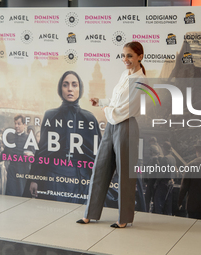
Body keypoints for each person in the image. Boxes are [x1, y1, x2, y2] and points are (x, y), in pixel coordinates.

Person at [77, 41, 146, 228]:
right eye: (123, 55)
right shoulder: (125, 75)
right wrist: (101, 102)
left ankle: (124, 219)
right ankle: (90, 214)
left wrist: (107, 110)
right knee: (100, 168)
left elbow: (127, 109)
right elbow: (117, 100)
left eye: (130, 55)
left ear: (139, 56)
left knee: (125, 174)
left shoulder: (141, 81)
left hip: (126, 126)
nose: (125, 59)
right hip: (112, 125)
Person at [28, 71, 102, 204]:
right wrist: (35, 179)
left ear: (80, 89)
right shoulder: (50, 115)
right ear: (60, 88)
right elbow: (42, 150)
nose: (70, 89)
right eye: (65, 85)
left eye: (74, 85)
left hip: (80, 180)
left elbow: (98, 154)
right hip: (53, 177)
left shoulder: (89, 118)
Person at [178, 141, 201, 221]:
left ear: (196, 151)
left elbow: (184, 187)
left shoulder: (190, 165)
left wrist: (179, 202)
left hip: (193, 206)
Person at [3, 115, 35, 196]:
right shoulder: (10, 137)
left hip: (23, 171)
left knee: (21, 194)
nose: (16, 126)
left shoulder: (29, 138)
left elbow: (35, 155)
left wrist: (32, 155)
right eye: (15, 123)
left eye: (19, 124)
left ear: (24, 125)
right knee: (11, 195)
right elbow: (4, 153)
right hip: (12, 171)